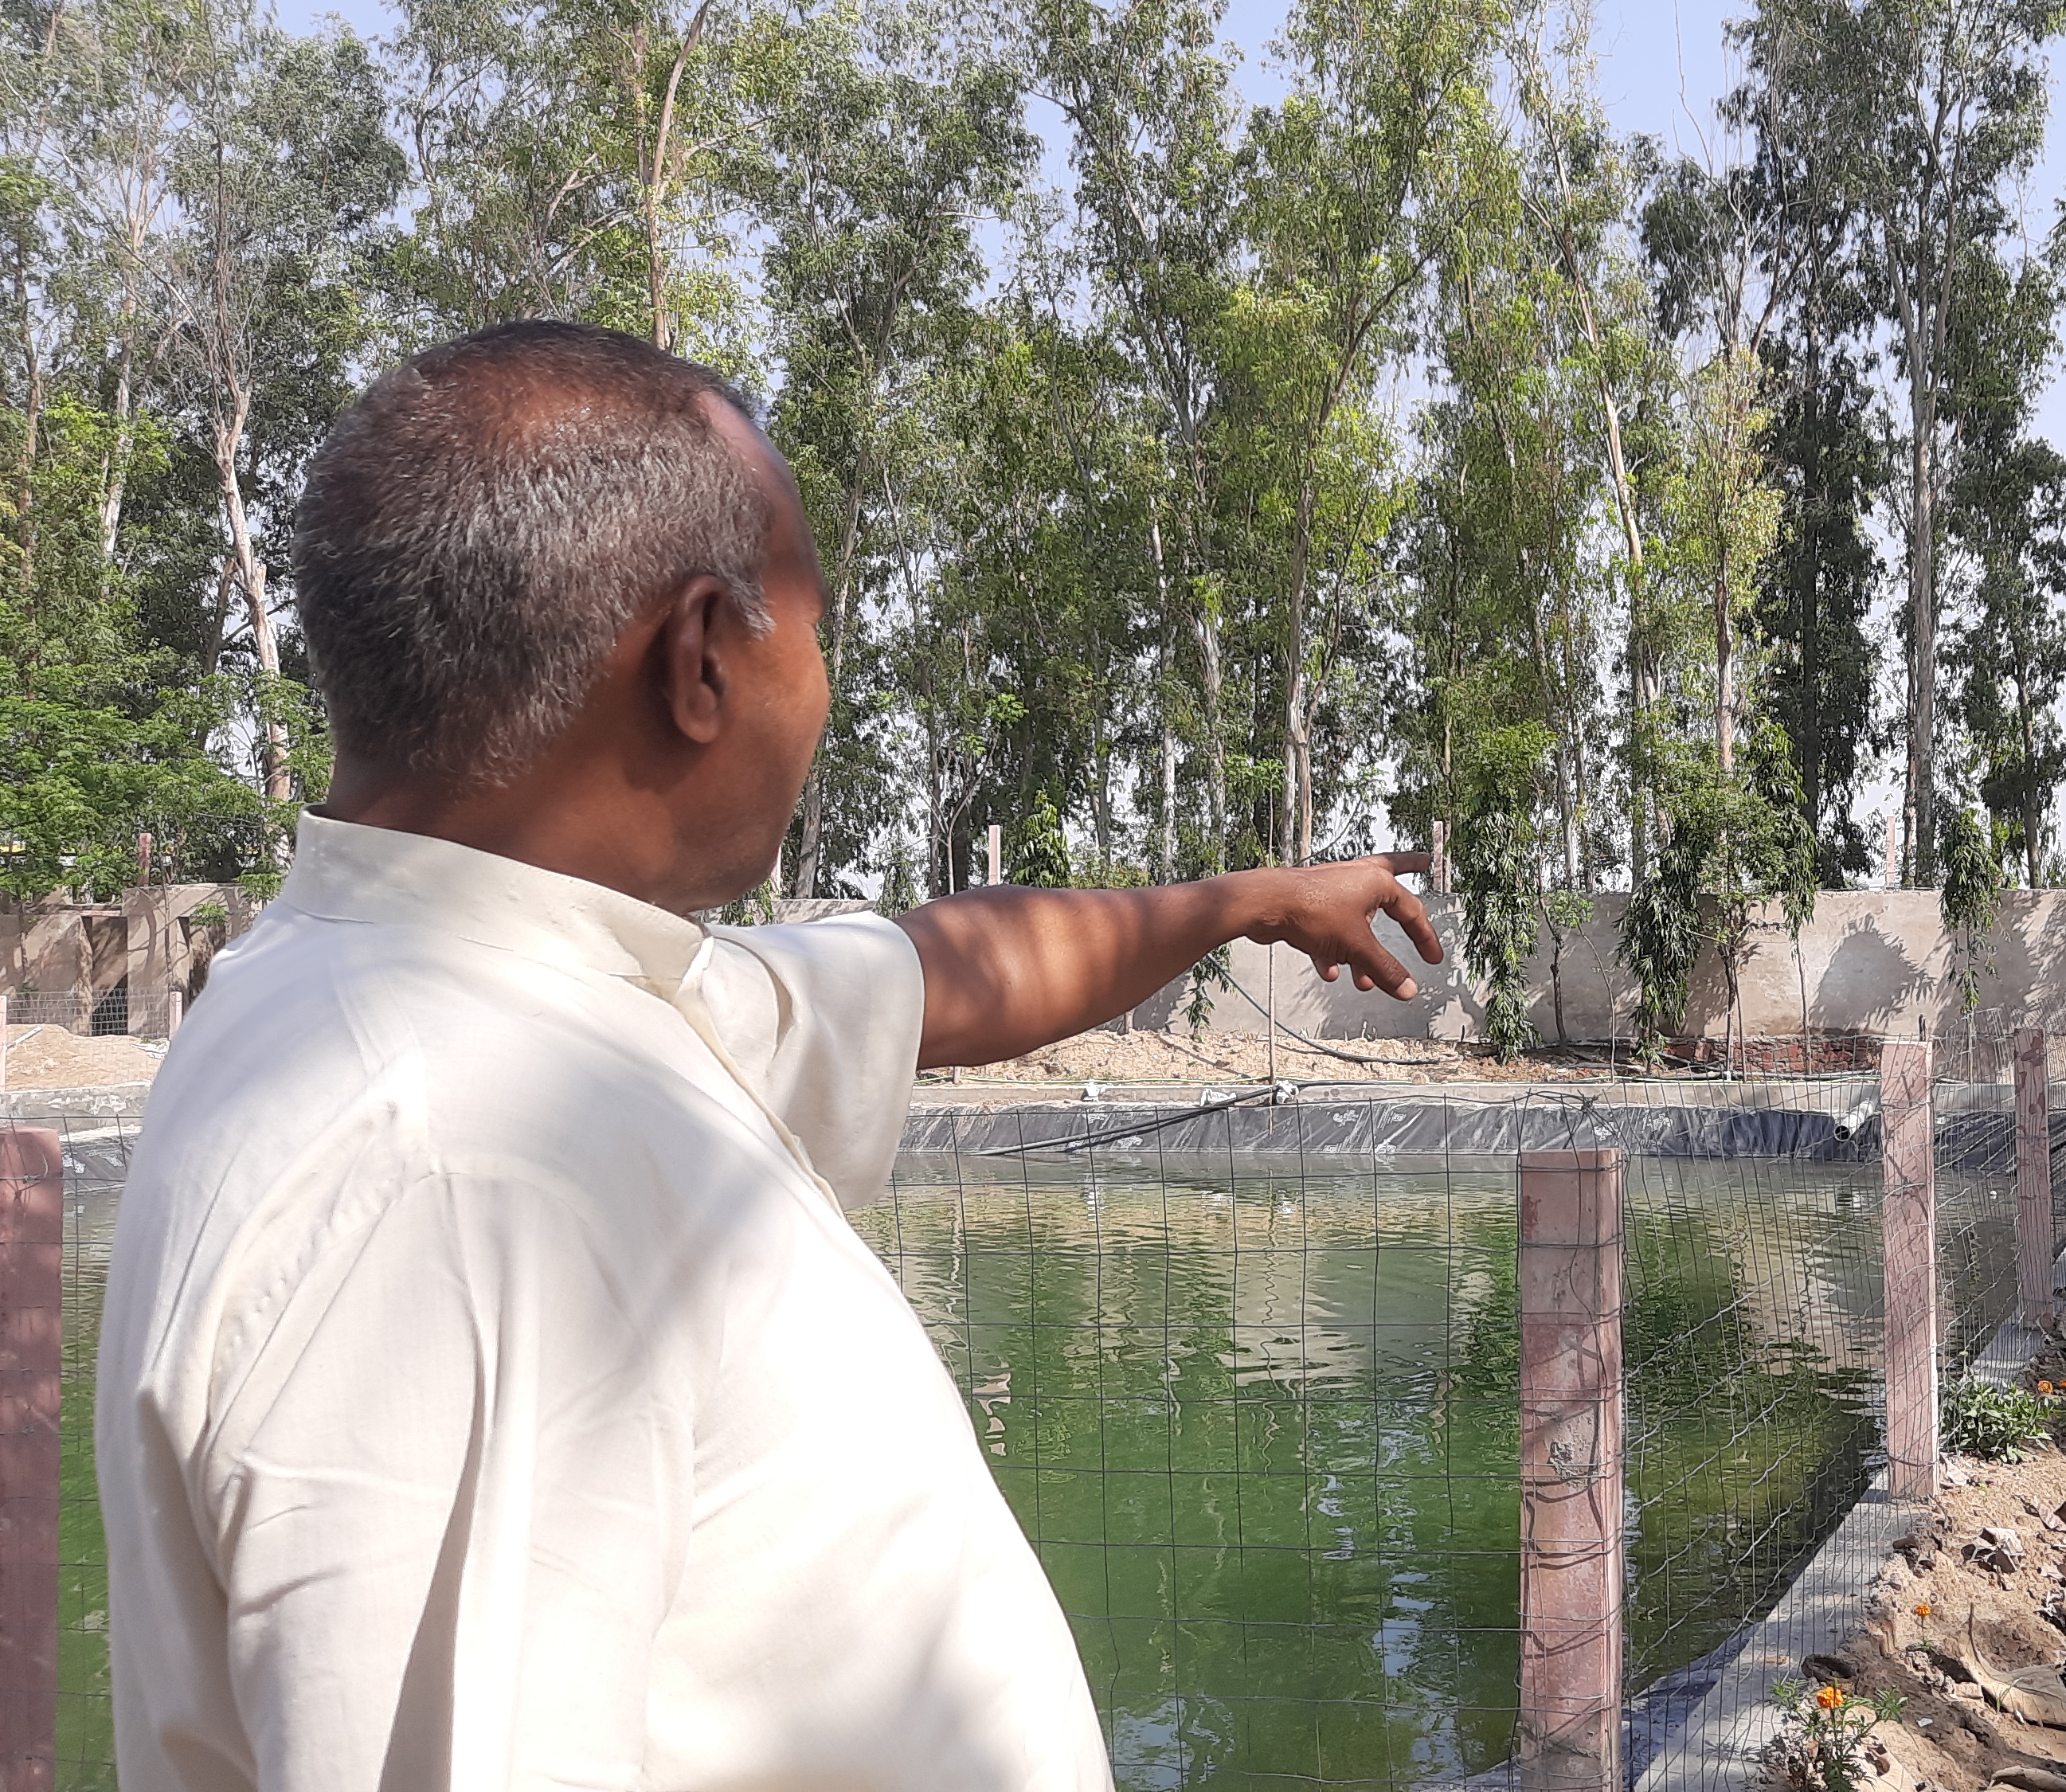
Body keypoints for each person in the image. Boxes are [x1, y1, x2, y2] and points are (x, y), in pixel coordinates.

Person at [94, 319, 1444, 1791]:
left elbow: (943, 972)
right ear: (698, 662)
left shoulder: (533, 1001)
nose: (824, 681)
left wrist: (1252, 903)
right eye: (816, 627)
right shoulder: (465, 1165)